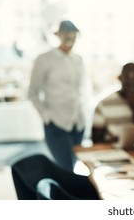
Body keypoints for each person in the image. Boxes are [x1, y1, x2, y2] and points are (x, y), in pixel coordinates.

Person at [28, 20, 89, 171]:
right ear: (59, 35)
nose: (70, 38)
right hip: (56, 122)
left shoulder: (78, 59)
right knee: (65, 168)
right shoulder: (44, 59)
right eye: (66, 34)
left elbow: (80, 90)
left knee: (75, 165)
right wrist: (46, 115)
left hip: (77, 123)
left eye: (73, 35)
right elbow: (32, 92)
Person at [91, 63, 134, 144]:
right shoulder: (103, 103)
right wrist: (115, 142)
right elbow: (96, 138)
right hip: (112, 150)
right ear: (120, 78)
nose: (131, 85)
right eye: (127, 81)